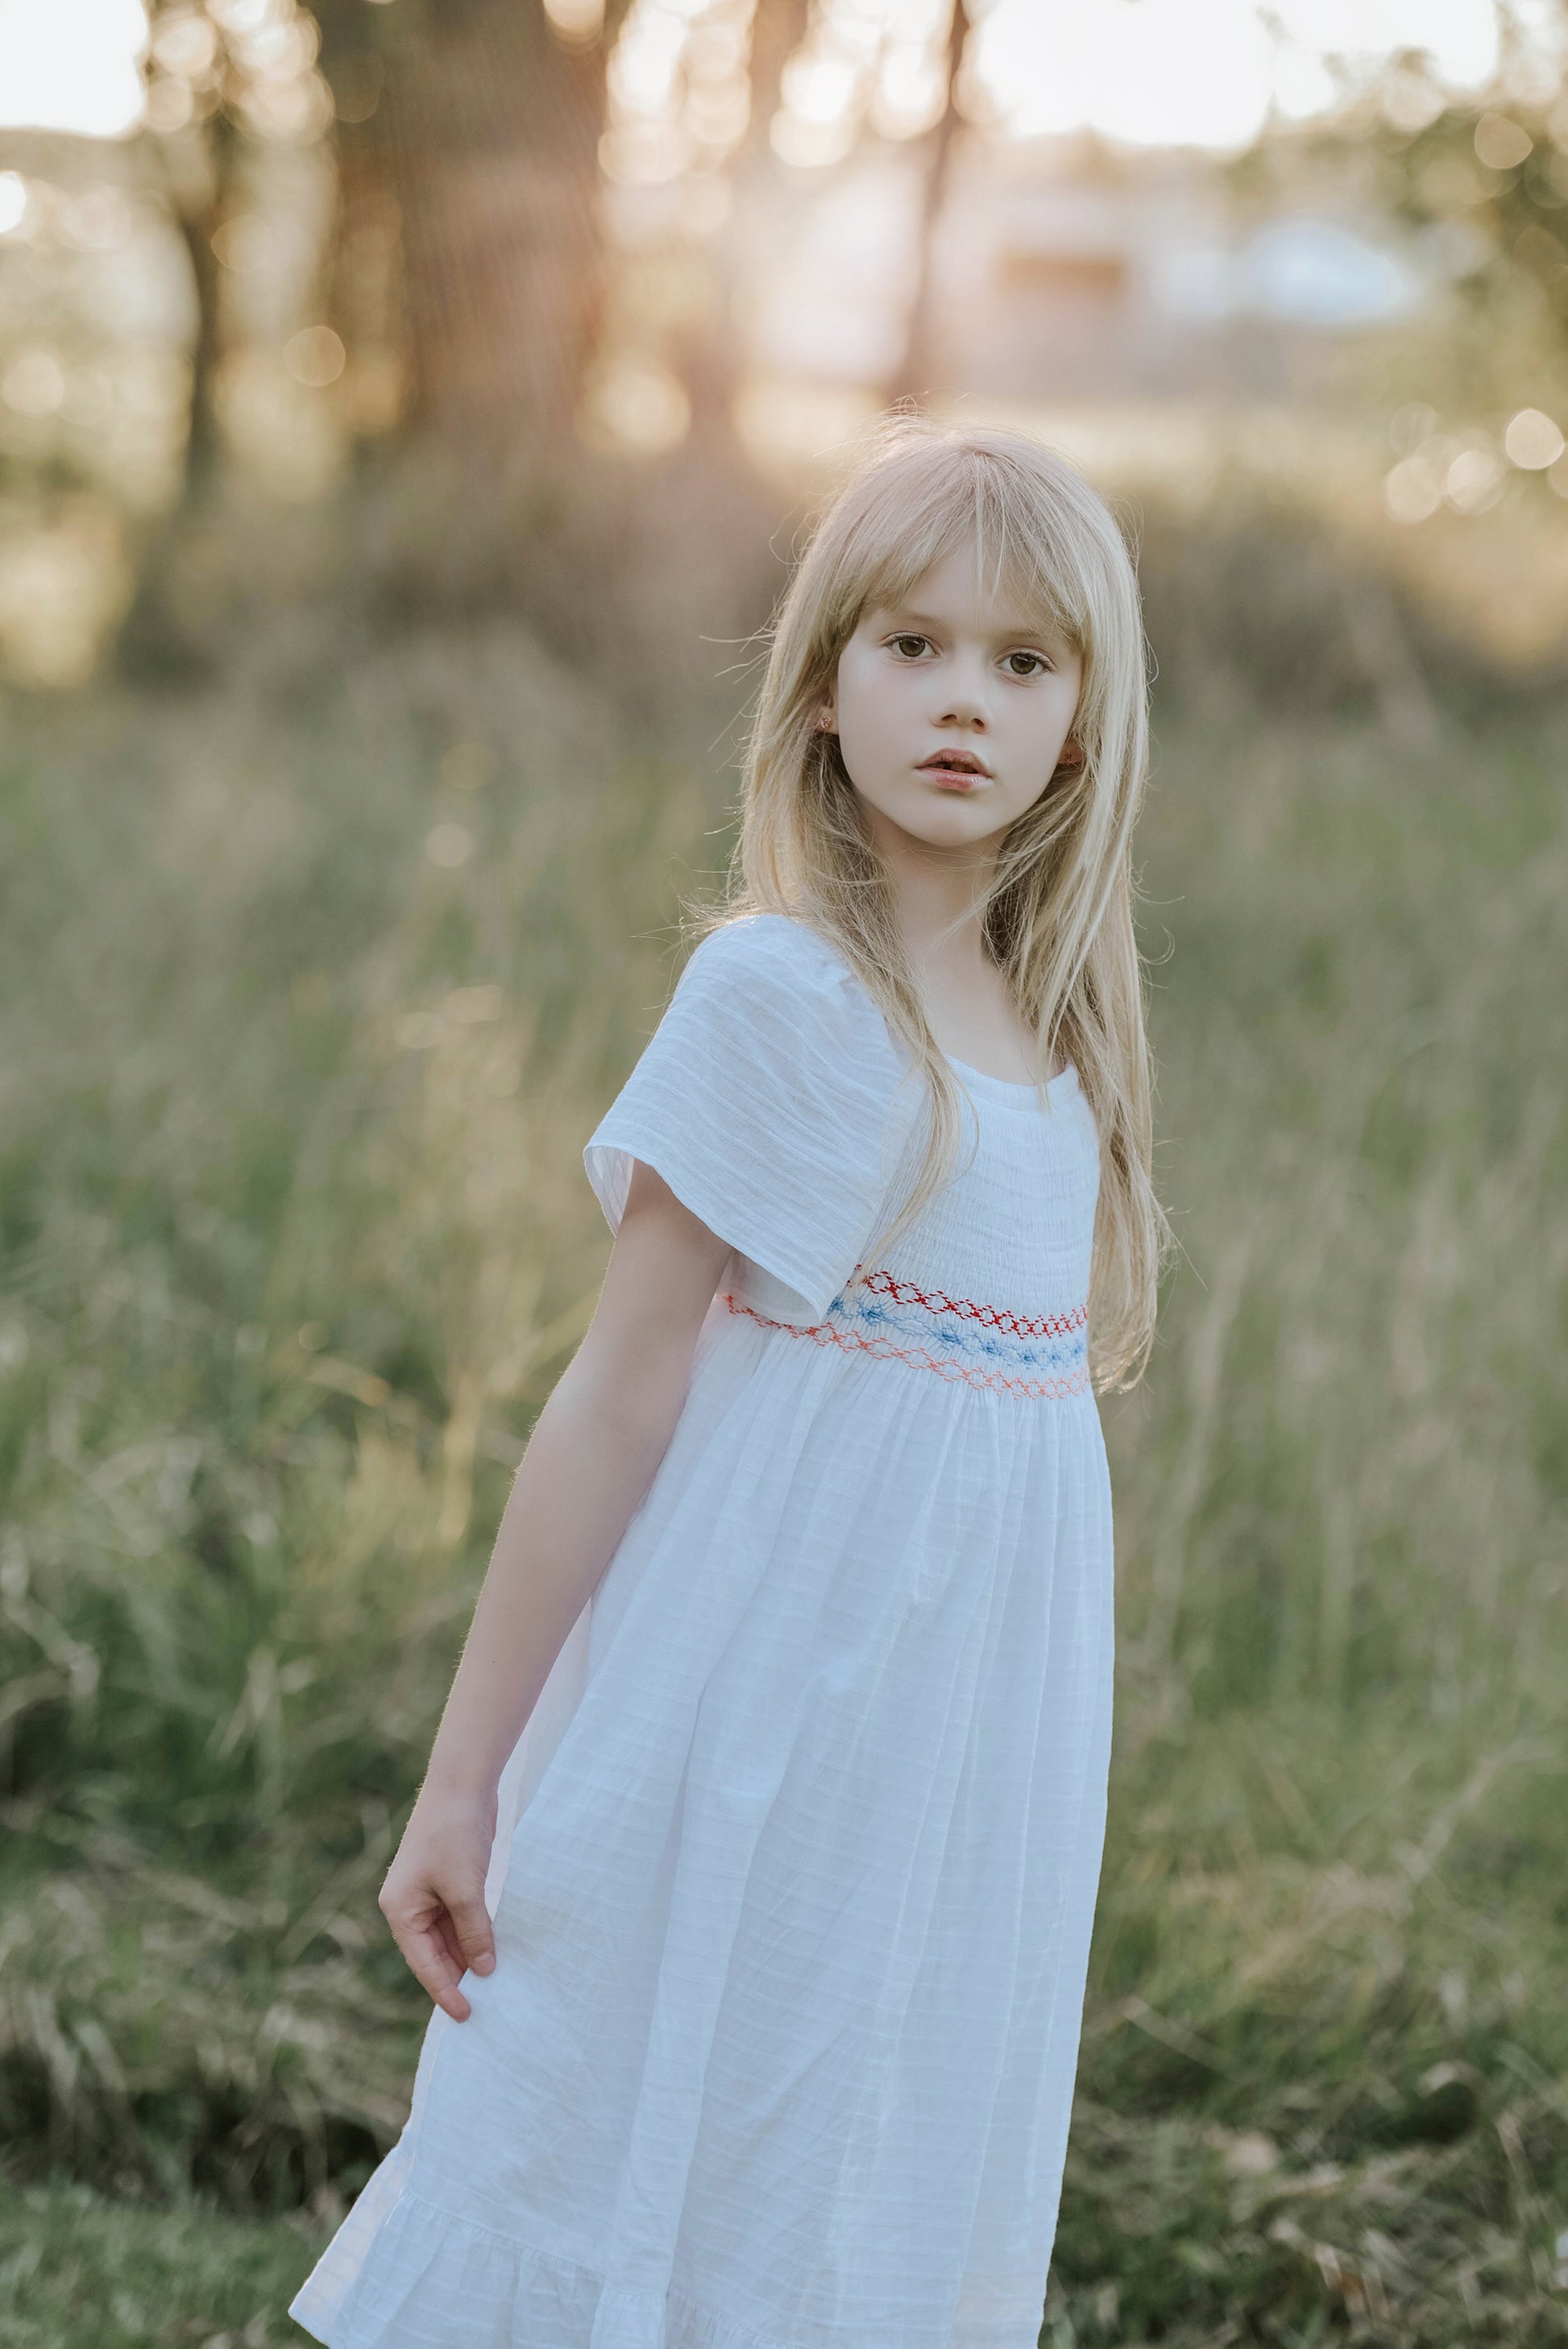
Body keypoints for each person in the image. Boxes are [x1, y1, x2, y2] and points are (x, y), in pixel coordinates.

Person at [289, 418, 1169, 2349]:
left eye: (1024, 663)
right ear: (823, 690)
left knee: (849, 2177)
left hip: (950, 1782)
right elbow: (614, 1397)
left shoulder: (1059, 1038)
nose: (963, 700)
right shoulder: (780, 997)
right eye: (911, 646)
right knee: (651, 2130)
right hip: (745, 1733)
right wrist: (467, 1784)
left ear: (1084, 724)